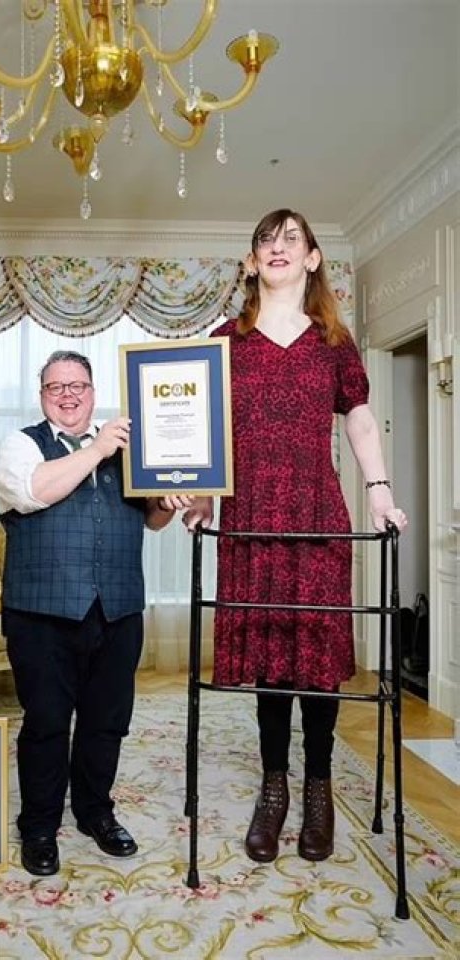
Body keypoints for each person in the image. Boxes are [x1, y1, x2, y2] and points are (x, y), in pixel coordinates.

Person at [182, 209, 408, 864]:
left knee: (315, 656)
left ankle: (318, 787)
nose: (277, 247)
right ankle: (274, 786)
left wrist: (380, 490)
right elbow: (206, 428)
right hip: (252, 514)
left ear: (312, 258)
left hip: (315, 512)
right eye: (266, 240)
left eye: (291, 239)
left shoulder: (334, 340)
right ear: (252, 261)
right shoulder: (224, 341)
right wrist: (202, 494)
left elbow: (359, 418)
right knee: (271, 661)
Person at [0, 349, 191, 876]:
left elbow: (150, 520)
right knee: (46, 723)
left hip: (118, 609)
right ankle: (38, 826)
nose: (68, 395)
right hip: (41, 615)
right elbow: (32, 492)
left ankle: (95, 812)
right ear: (42, 395)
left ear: (93, 392)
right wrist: (99, 448)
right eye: (56, 386)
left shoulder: (127, 450)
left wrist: (166, 503)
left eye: (77, 385)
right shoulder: (19, 446)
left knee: (106, 723)